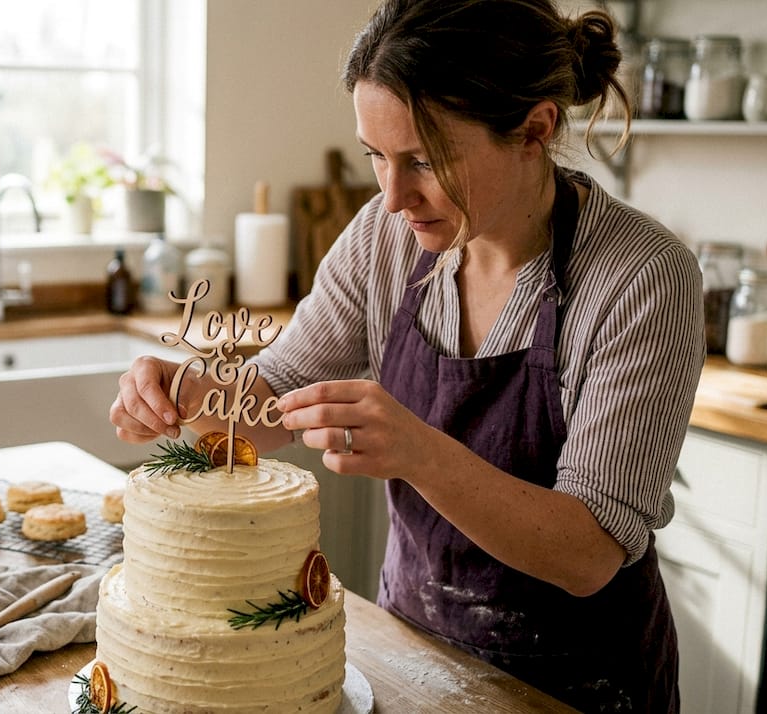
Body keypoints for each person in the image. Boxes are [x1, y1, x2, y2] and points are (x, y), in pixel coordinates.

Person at [110, 0, 704, 710]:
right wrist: (186, 393)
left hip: (578, 687)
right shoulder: (384, 240)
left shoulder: (641, 277)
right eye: (376, 158)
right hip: (417, 653)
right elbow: (276, 398)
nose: (393, 198)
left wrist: (420, 452)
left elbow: (588, 553)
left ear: (534, 129)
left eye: (425, 159)